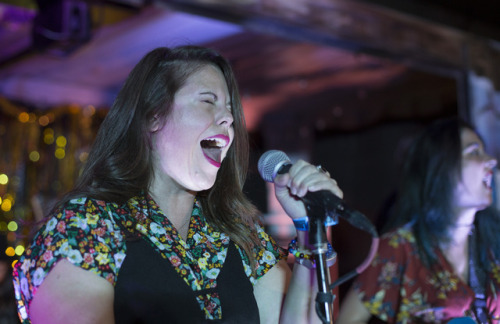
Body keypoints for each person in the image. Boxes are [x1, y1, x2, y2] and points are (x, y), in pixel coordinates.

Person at [12, 45, 343, 323]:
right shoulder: (87, 224)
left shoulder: (237, 235)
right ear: (153, 116)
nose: (228, 118)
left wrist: (308, 225)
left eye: (229, 109)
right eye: (207, 100)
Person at [336, 117, 500, 323]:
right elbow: (347, 320)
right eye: (474, 152)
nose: (491, 161)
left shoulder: (493, 240)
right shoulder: (401, 246)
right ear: (442, 168)